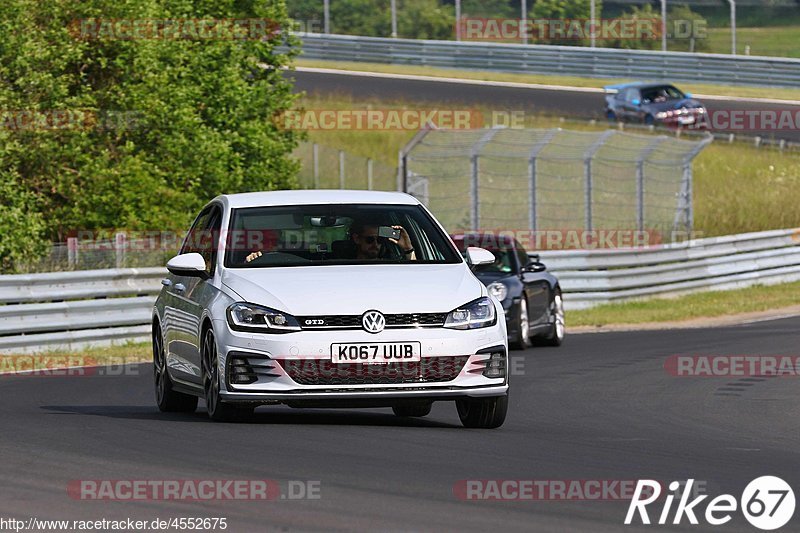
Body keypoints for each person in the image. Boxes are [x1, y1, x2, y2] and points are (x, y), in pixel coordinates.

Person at [349, 219, 416, 261]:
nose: (375, 244)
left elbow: (414, 274)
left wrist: (408, 249)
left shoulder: (390, 266)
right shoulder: (344, 265)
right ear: (357, 239)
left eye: (380, 239)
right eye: (370, 239)